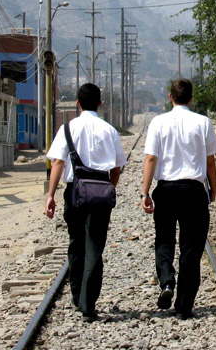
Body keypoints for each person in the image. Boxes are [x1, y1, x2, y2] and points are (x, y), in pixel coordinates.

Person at [45, 83, 126, 322]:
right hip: (100, 192)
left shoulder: (67, 128)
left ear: (78, 103)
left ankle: (76, 296)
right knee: (95, 247)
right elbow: (117, 167)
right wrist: (110, 188)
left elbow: (58, 163)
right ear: (100, 104)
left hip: (74, 192)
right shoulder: (109, 130)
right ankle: (89, 303)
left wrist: (50, 195)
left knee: (76, 243)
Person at [140, 78, 216, 319]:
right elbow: (210, 161)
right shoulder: (203, 122)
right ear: (192, 98)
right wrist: (213, 187)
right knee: (191, 250)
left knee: (164, 241)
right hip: (194, 191)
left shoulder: (159, 122)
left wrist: (145, 192)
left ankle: (166, 282)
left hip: (165, 190)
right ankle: (184, 305)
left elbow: (151, 159)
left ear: (170, 97)